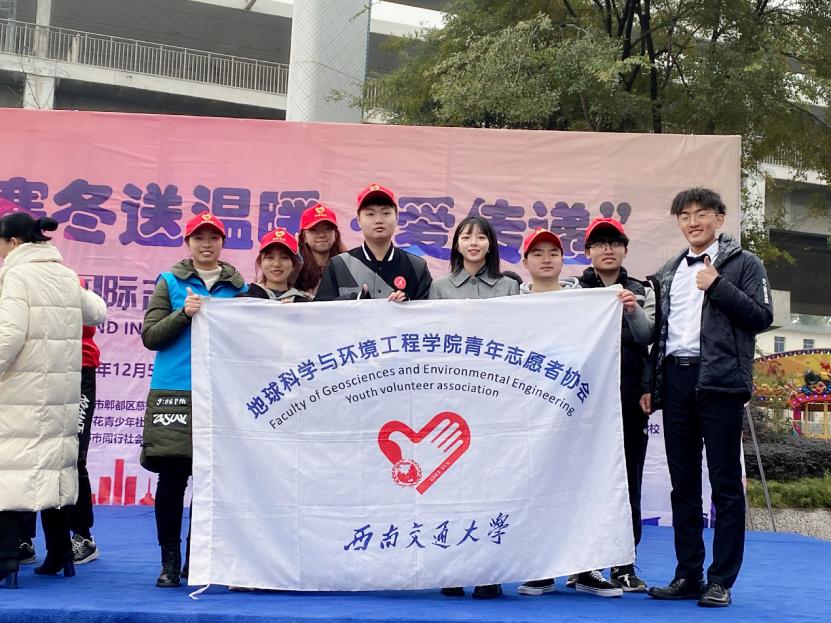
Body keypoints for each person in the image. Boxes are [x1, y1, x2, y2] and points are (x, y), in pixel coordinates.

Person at [643, 188, 773, 607]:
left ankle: (721, 580)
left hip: (719, 382)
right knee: (682, 485)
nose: (693, 222)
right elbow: (660, 334)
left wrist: (718, 286)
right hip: (675, 379)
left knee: (724, 484)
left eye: (701, 214)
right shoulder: (668, 271)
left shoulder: (744, 263)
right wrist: (650, 383)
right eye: (684, 216)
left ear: (719, 218)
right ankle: (687, 574)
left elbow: (761, 317)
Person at [0, 213, 107, 588]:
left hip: (22, 391)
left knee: (11, 468)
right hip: (62, 391)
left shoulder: (16, 275)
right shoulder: (63, 274)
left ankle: (7, 557)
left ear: (14, 242)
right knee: (55, 467)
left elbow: (9, 335)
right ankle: (61, 552)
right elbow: (97, 312)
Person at [140, 212, 246, 588]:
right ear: (188, 243)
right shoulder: (169, 281)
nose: (206, 244)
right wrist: (183, 314)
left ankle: (197, 559)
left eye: (213, 237)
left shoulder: (238, 287)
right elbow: (151, 336)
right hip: (175, 391)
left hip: (220, 393)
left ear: (222, 242)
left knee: (210, 482)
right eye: (199, 237)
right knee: (172, 478)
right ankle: (169, 561)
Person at [429, 215, 518, 599]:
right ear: (457, 244)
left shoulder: (509, 286)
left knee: (491, 484)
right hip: (451, 399)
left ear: (491, 245)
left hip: (495, 400)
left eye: (481, 237)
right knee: (450, 484)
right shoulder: (439, 288)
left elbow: (521, 336)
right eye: (466, 236)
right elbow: (429, 339)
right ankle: (451, 569)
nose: (474, 242)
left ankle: (487, 571)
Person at [574, 217, 655, 594]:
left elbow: (650, 337)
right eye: (599, 243)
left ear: (624, 250)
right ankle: (582, 565)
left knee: (627, 481)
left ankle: (624, 563)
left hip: (628, 397)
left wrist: (632, 310)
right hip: (582, 400)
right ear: (587, 252)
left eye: (615, 242)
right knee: (582, 479)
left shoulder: (641, 290)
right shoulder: (573, 290)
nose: (608, 249)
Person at [513, 227, 580, 598]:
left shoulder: (584, 302)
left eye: (553, 252)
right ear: (525, 262)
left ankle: (582, 566)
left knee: (576, 484)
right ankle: (539, 568)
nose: (546, 259)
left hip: (572, 409)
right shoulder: (511, 304)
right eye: (537, 253)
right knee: (534, 486)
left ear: (563, 259)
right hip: (528, 410)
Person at [315, 184, 432, 302]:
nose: (378, 220)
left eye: (386, 213)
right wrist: (352, 301)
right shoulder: (338, 265)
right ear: (358, 220)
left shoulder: (416, 267)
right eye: (370, 214)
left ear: (396, 218)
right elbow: (320, 309)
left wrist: (408, 304)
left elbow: (430, 310)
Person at [237, 228, 311, 302]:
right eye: (270, 257)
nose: (276, 264)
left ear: (293, 265)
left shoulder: (304, 303)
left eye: (284, 258)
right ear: (260, 263)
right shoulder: (244, 300)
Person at [294, 203, 347, 296]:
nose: (322, 235)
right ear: (304, 237)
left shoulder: (348, 264)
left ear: (335, 235)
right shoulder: (295, 268)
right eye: (313, 230)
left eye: (328, 229)